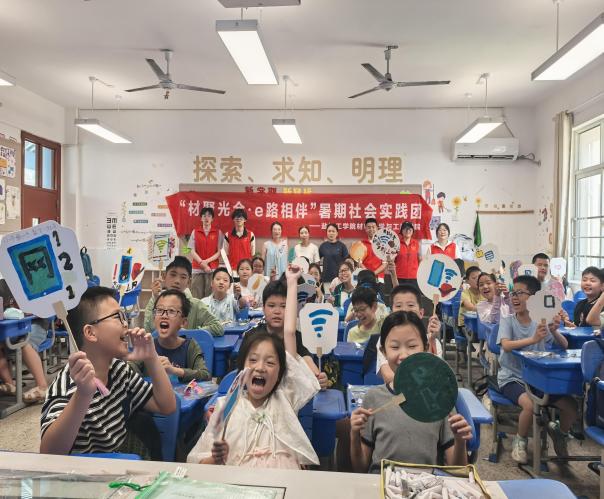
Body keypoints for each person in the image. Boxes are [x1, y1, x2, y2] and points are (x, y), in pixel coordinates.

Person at [187, 264, 320, 468]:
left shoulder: (285, 396)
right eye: (253, 360)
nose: (260, 367)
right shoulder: (226, 407)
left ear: (282, 371)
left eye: (270, 362)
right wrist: (216, 459)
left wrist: (292, 282)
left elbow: (290, 333)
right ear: (242, 368)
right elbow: (197, 462)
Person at [40, 286, 176, 455]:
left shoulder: (119, 370)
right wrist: (83, 395)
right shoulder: (66, 386)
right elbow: (49, 454)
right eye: (118, 317)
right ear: (90, 332)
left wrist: (151, 357)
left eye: (124, 316)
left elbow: (167, 406)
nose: (126, 323)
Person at [350, 311, 472, 473]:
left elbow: (457, 471)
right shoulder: (373, 398)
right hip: (380, 482)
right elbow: (360, 467)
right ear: (383, 352)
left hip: (424, 484)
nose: (403, 355)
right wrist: (354, 434)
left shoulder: (439, 399)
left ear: (425, 348)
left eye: (412, 346)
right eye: (394, 347)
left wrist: (460, 441)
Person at [497, 275, 577, 464]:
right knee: (530, 405)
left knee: (572, 406)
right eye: (513, 293)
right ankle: (520, 440)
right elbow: (506, 345)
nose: (514, 297)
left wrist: (554, 330)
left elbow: (564, 346)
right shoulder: (508, 321)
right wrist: (533, 339)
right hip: (511, 378)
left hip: (538, 378)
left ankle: (559, 434)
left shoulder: (540, 321)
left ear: (533, 298)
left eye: (520, 293)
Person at [242, 280, 329, 390]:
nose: (277, 311)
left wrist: (319, 379)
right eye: (271, 305)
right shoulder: (251, 337)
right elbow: (241, 374)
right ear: (263, 308)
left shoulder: (298, 338)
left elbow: (307, 361)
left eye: (283, 306)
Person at [131, 289, 210, 383]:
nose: (164, 316)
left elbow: (205, 375)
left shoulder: (190, 346)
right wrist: (128, 357)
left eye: (171, 311)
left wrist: (174, 370)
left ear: (183, 322)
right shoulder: (147, 346)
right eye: (159, 310)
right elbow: (130, 372)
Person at [374, 285, 442, 383]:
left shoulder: (432, 341)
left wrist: (432, 340)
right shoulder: (384, 340)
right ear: (391, 313)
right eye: (398, 306)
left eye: (410, 305)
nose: (404, 310)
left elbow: (435, 376)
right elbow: (388, 376)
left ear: (421, 313)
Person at [144, 256, 224, 337]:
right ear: (164, 276)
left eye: (183, 277)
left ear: (189, 282)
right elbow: (148, 330)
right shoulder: (154, 301)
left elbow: (218, 327)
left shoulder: (195, 305)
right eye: (173, 275)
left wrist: (190, 333)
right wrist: (156, 299)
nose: (177, 281)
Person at [0, 279, 49, 403]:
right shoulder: (3, 285)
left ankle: (42, 386)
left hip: (36, 324)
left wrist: (29, 312)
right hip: (13, 327)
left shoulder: (33, 281)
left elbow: (47, 309)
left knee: (24, 343)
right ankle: (10, 384)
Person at [188, 207, 222, 299]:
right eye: (204, 216)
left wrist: (206, 262)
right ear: (201, 218)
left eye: (209, 216)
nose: (206, 218)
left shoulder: (218, 232)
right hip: (197, 268)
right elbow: (191, 250)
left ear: (212, 219)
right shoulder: (195, 232)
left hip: (212, 268)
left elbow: (219, 252)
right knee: (196, 295)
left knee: (210, 296)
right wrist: (201, 263)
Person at [395, 221, 421, 286]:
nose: (407, 231)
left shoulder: (416, 243)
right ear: (401, 231)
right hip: (399, 277)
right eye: (405, 229)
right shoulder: (396, 243)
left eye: (410, 229)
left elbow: (420, 259)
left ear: (412, 231)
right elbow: (392, 260)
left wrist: (420, 274)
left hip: (414, 277)